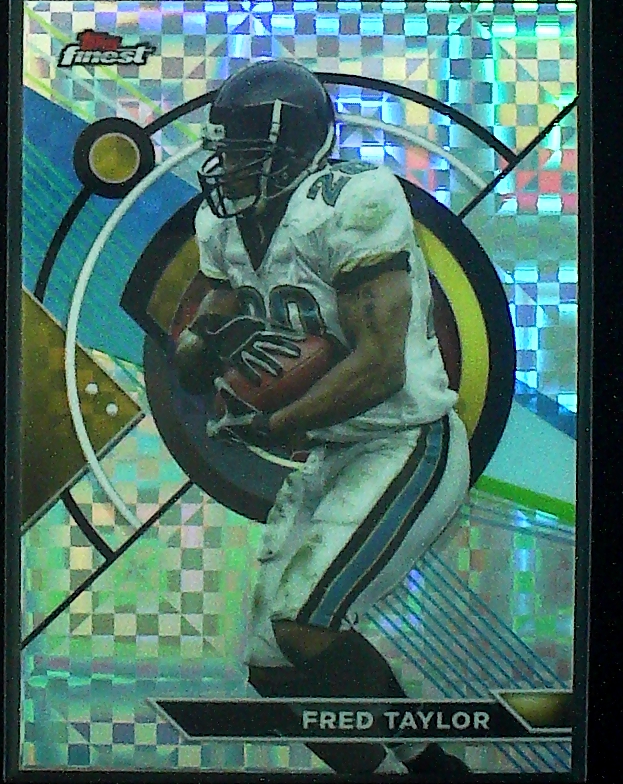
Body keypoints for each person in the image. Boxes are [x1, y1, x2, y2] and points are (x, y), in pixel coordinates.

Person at [174, 58, 472, 776]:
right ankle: (392, 767)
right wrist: (206, 345)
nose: (226, 168)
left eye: (243, 153)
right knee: (271, 663)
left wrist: (276, 424)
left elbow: (379, 365)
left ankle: (432, 767)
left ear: (290, 151)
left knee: (305, 626)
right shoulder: (224, 222)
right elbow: (207, 329)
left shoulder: (353, 200)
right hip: (332, 452)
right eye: (224, 151)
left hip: (403, 439)